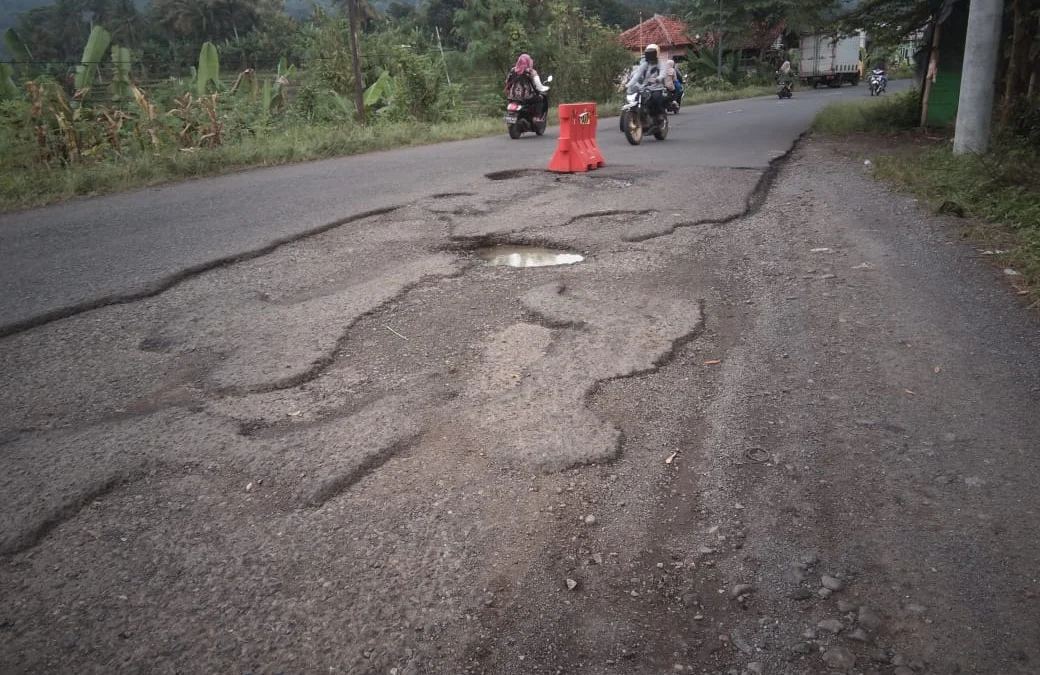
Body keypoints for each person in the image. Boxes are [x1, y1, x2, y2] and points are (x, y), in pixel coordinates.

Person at [505, 53, 551, 121]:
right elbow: (538, 85)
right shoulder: (531, 72)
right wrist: (542, 89)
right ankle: (536, 117)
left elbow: (507, 81)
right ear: (528, 61)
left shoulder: (512, 70)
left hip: (512, 96)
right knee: (540, 99)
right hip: (526, 97)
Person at [626, 44, 667, 119]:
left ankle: (660, 114)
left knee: (656, 98)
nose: (650, 55)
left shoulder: (661, 64)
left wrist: (657, 79)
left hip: (657, 88)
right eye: (648, 53)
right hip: (645, 87)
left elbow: (663, 74)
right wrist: (627, 85)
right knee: (637, 98)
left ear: (656, 53)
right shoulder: (645, 64)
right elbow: (636, 76)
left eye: (652, 53)